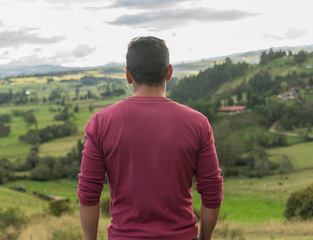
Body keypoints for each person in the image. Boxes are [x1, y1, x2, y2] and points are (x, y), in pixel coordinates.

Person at [77, 36, 223, 240]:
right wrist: (205, 238)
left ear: (128, 75)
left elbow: (88, 193)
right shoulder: (197, 123)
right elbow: (212, 191)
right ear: (169, 72)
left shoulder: (101, 123)